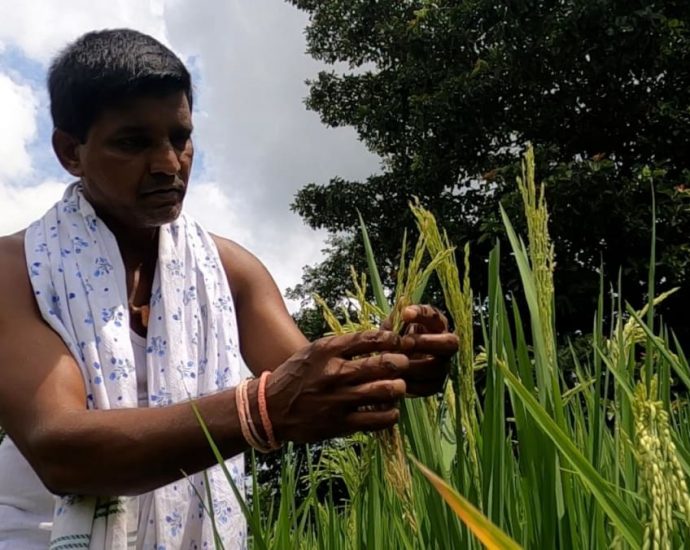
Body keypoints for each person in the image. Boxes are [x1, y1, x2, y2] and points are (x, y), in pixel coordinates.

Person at [0, 29, 458, 549]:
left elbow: (315, 391)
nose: (168, 165)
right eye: (133, 143)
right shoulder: (14, 270)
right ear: (69, 152)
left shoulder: (229, 269)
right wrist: (257, 410)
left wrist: (392, 365)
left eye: (179, 138)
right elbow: (61, 451)